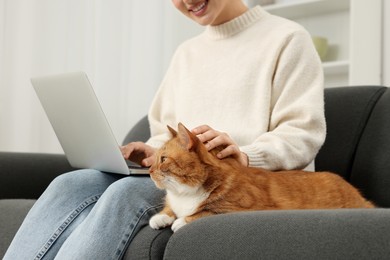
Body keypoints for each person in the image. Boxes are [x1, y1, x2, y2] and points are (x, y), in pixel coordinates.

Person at [4, 0, 326, 259]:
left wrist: (246, 154)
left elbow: (303, 133)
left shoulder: (287, 38)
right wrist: (153, 150)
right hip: (181, 174)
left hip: (233, 182)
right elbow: (166, 131)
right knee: (70, 184)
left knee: (124, 194)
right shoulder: (186, 54)